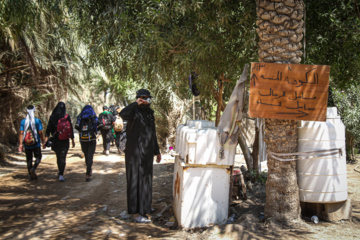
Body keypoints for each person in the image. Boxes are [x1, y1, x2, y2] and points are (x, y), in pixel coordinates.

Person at [119, 89, 161, 223]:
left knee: (146, 180)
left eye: (147, 98)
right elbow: (123, 114)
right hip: (134, 153)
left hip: (147, 153)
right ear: (138, 99)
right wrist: (134, 104)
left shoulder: (150, 113)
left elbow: (152, 134)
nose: (145, 100)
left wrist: (157, 151)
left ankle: (145, 207)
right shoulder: (133, 111)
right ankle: (137, 213)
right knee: (135, 181)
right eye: (142, 98)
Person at [43, 102, 75, 182]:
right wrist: (72, 140)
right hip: (65, 141)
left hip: (56, 140)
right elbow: (70, 128)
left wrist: (45, 140)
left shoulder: (53, 117)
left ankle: (60, 171)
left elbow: (48, 129)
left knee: (58, 156)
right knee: (63, 157)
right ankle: (61, 174)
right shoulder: (66, 117)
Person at [18, 105, 45, 181]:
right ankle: (34, 168)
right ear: (34, 111)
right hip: (36, 143)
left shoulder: (23, 121)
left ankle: (31, 175)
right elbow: (40, 133)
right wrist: (43, 141)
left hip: (26, 144)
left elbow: (21, 133)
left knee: (29, 159)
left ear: (26, 111)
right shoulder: (37, 121)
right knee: (38, 157)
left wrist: (20, 144)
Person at [75, 105, 98, 182]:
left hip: (83, 139)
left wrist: (82, 132)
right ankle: (88, 173)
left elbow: (76, 126)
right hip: (91, 139)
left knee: (86, 155)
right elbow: (96, 126)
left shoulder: (80, 117)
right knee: (90, 156)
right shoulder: (93, 116)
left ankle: (89, 169)